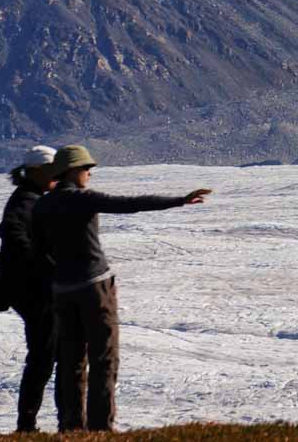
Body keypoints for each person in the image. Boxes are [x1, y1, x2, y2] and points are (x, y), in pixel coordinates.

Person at [31, 144, 211, 432]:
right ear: (73, 171)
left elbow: (39, 250)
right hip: (94, 288)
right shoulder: (82, 199)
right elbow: (130, 203)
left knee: (71, 360)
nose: (90, 173)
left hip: (63, 292)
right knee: (103, 358)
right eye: (87, 169)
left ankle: (71, 428)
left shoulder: (42, 205)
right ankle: (101, 429)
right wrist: (180, 200)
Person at [0, 145, 60, 433]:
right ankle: (27, 425)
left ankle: (29, 424)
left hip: (29, 289)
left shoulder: (27, 197)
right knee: (43, 356)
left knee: (44, 355)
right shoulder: (26, 201)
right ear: (37, 171)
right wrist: (42, 264)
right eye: (52, 171)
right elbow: (12, 231)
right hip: (34, 292)